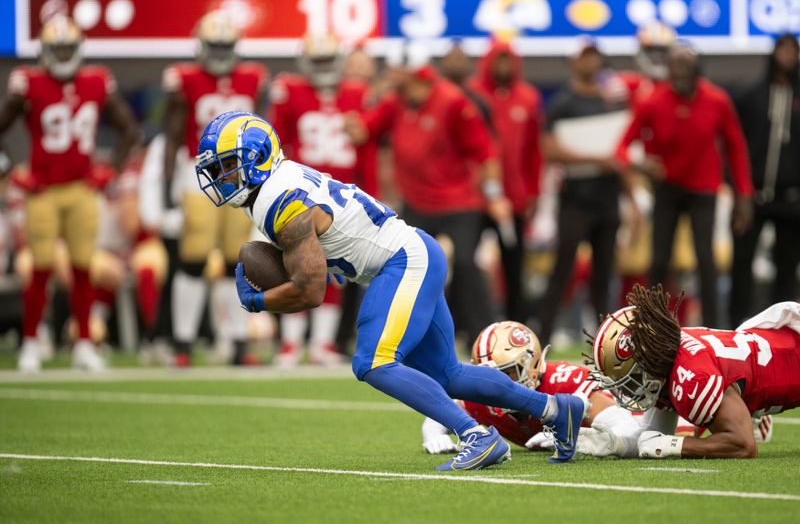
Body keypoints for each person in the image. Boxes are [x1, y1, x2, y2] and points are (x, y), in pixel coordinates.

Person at [194, 111, 586, 469]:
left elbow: (310, 292)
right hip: (413, 253)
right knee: (446, 373)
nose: (222, 178)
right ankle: (555, 410)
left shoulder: (280, 201)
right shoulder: (275, 188)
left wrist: (259, 301)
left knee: (372, 362)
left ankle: (476, 436)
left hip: (402, 260)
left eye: (228, 166)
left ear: (258, 157)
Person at [344, 42, 513, 343]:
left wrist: (495, 194)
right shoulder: (394, 101)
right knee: (404, 265)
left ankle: (486, 337)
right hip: (416, 203)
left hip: (458, 202)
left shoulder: (452, 101)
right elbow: (360, 131)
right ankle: (403, 336)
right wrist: (364, 100)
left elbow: (486, 153)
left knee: (464, 265)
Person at [0, 14, 138, 372]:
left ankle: (83, 345)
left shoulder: (96, 81)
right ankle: (31, 342)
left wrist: (110, 168)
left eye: (67, 49)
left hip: (81, 188)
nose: (62, 55)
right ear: (45, 51)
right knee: (42, 266)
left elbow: (128, 130)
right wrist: (13, 170)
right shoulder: (29, 82)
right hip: (44, 190)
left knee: (82, 268)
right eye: (56, 49)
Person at [617, 44, 754, 328]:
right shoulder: (653, 101)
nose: (678, 70)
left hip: (704, 188)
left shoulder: (716, 100)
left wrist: (744, 194)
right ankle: (650, 327)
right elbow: (622, 147)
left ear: (696, 68)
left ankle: (715, 328)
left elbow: (736, 147)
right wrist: (641, 164)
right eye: (674, 64)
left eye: (684, 63)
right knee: (659, 259)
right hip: (667, 187)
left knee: (706, 259)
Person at [161, 10, 268, 366]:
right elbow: (172, 137)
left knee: (237, 260)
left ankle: (237, 341)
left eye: (226, 46)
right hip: (200, 175)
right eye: (215, 46)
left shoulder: (253, 78)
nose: (221, 53)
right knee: (193, 258)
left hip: (241, 176)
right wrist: (165, 190)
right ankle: (182, 342)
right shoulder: (185, 79)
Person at [591, 284, 800, 459]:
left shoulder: (691, 377)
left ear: (648, 362)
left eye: (628, 379)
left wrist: (674, 446)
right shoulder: (668, 357)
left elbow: (744, 444)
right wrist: (616, 444)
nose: (626, 389)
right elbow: (651, 437)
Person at [268, 33, 377, 366]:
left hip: (342, 193)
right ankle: (290, 343)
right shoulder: (290, 90)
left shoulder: (358, 94)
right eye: (318, 61)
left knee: (336, 268)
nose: (324, 68)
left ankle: (321, 343)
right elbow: (275, 141)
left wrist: (371, 193)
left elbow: (366, 148)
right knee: (296, 266)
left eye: (328, 60)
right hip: (301, 191)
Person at [420, 321, 640, 457]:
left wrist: (581, 438)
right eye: (488, 374)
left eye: (508, 372)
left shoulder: (563, 382)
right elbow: (437, 416)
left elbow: (628, 425)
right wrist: (434, 436)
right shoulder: (483, 396)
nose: (495, 383)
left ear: (533, 366)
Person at [536, 40, 630, 345]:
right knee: (562, 271)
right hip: (575, 200)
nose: (590, 63)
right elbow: (550, 148)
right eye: (583, 58)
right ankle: (543, 337)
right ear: (574, 63)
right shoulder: (563, 102)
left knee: (604, 277)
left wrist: (632, 198)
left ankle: (609, 346)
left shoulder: (610, 101)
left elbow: (624, 150)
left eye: (594, 57)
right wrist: (595, 159)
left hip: (608, 198)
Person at [469, 41, 544, 322]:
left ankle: (516, 327)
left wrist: (533, 192)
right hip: (475, 198)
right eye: (498, 60)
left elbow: (535, 151)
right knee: (465, 264)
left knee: (514, 267)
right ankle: (467, 325)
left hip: (513, 198)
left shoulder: (527, 98)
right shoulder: (473, 94)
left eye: (508, 60)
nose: (503, 66)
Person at [731, 34, 800, 327]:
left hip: (792, 198)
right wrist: (738, 191)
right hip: (753, 196)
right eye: (781, 49)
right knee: (742, 262)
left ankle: (781, 329)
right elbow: (734, 145)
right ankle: (736, 323)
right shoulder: (752, 96)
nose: (786, 55)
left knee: (786, 266)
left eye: (792, 50)